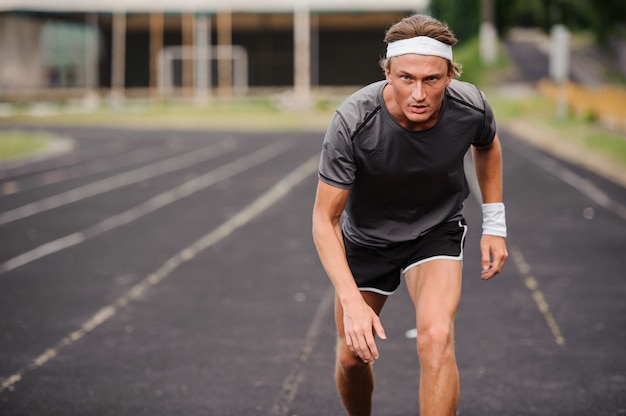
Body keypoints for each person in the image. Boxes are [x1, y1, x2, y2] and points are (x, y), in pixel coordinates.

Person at [311, 14, 508, 415]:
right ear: (387, 72)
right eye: (406, 78)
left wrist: (495, 224)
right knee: (352, 359)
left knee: (436, 338)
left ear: (450, 75)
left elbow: (487, 145)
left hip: (435, 230)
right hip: (367, 239)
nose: (418, 93)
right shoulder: (353, 121)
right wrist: (351, 302)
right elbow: (324, 219)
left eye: (432, 80)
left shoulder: (470, 106)